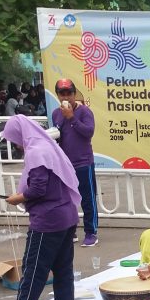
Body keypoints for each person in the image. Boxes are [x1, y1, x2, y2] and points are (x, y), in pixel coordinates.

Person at [0, 115, 80, 300]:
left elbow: (38, 188)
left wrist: (18, 198)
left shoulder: (36, 151)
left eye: (13, 139)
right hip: (67, 214)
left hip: (49, 220)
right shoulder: (48, 146)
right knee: (62, 267)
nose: (15, 144)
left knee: (34, 269)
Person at [51, 79, 98, 247]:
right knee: (67, 199)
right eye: (62, 93)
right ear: (57, 95)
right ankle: (71, 231)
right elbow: (58, 135)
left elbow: (88, 132)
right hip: (65, 163)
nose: (66, 96)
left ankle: (91, 232)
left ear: (74, 93)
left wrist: (71, 118)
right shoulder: (56, 113)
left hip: (83, 161)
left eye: (69, 93)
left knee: (87, 198)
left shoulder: (85, 111)